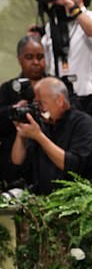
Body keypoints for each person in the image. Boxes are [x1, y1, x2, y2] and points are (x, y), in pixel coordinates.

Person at [10, 76, 92, 193]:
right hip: (43, 200)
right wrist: (21, 132)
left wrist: (39, 136)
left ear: (60, 101)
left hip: (76, 200)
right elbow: (17, 162)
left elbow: (72, 166)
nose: (39, 109)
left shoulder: (83, 123)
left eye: (41, 103)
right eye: (35, 104)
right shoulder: (42, 125)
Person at [42, 0, 92, 127]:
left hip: (85, 100)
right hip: (57, 101)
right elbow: (49, 64)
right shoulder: (54, 25)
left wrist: (71, 5)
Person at [0, 35, 46, 186]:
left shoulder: (56, 87)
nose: (36, 62)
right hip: (13, 164)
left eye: (40, 57)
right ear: (19, 59)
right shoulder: (7, 89)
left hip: (47, 163)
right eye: (29, 57)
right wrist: (13, 111)